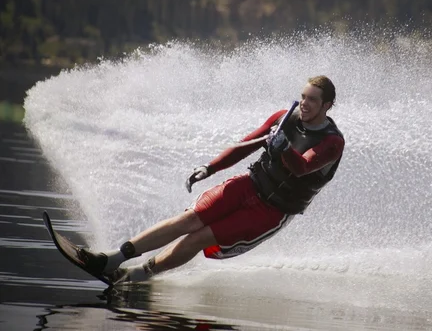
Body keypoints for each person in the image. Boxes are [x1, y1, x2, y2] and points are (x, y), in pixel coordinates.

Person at [82, 75, 345, 283]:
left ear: (327, 105)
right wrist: (210, 167)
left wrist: (283, 146)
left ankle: (138, 275)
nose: (304, 104)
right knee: (188, 219)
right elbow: (246, 145)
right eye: (302, 97)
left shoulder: (332, 142)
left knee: (198, 238)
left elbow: (302, 167)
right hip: (249, 184)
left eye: (312, 100)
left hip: (272, 210)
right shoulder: (284, 117)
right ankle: (113, 259)